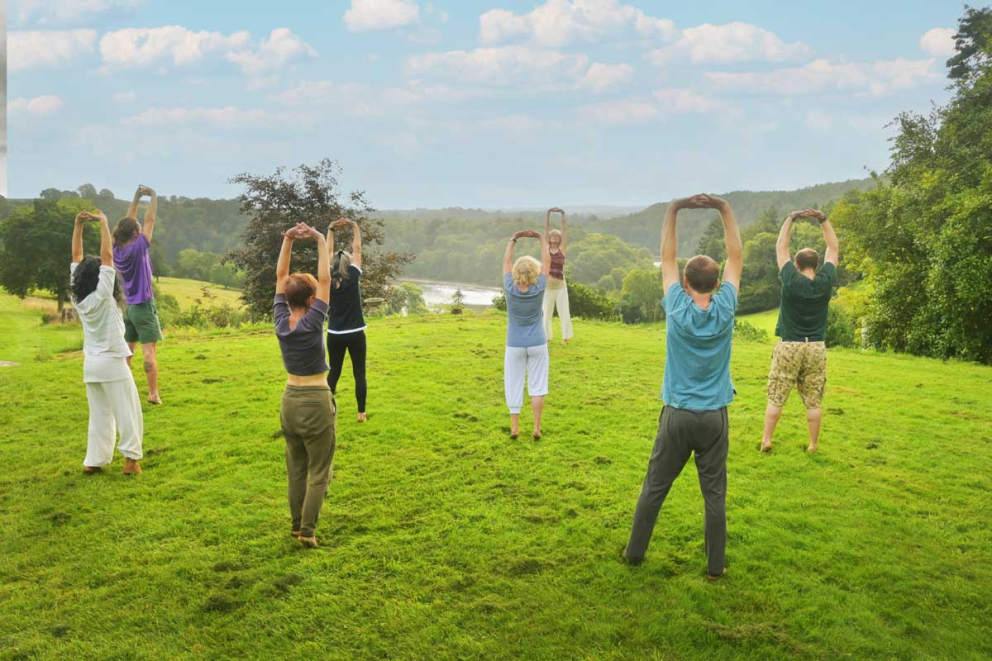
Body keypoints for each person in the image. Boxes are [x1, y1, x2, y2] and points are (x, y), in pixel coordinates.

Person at [622, 194, 743, 580]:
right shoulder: (725, 308)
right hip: (714, 418)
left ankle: (634, 555)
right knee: (715, 496)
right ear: (717, 280)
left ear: (686, 282)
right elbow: (737, 257)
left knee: (655, 487)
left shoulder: (676, 305)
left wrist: (673, 209)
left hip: (677, 415)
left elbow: (666, 255)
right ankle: (714, 568)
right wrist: (724, 209)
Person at [760, 209, 840, 454]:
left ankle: (767, 440)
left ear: (796, 265)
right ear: (817, 265)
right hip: (816, 346)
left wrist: (791, 218)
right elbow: (833, 248)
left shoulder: (791, 280)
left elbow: (780, 247)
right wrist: (823, 219)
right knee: (814, 400)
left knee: (776, 396)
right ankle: (813, 445)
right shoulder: (825, 281)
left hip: (789, 345)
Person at [275, 221, 334, 548]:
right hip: (315, 401)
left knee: (296, 468)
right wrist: (319, 239)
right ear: (313, 299)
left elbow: (279, 277)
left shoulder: (281, 321)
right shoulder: (313, 322)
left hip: (289, 401)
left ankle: (297, 526)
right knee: (319, 472)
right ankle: (308, 532)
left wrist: (288, 240)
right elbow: (325, 278)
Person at [70, 210, 143, 476]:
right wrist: (103, 222)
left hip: (91, 365)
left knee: (100, 415)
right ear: (99, 278)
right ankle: (131, 462)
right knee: (128, 412)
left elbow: (76, 258)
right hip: (112, 362)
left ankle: (94, 460)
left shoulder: (78, 299)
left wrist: (78, 225)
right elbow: (108, 258)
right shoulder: (103, 294)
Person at [112, 185, 163, 405]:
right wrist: (153, 196)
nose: (142, 229)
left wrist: (135, 198)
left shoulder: (117, 249)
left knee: (128, 352)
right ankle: (153, 394)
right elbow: (149, 221)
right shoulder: (139, 247)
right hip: (143, 306)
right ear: (135, 233)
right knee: (149, 353)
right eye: (138, 229)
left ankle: (121, 392)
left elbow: (128, 222)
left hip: (128, 309)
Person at [502, 229, 551, 440]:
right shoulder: (539, 286)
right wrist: (541, 238)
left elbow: (506, 260)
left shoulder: (509, 287)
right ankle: (536, 428)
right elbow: (548, 260)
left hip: (514, 344)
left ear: (515, 272)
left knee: (513, 382)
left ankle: (515, 427)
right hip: (537, 342)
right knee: (538, 385)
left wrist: (514, 238)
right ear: (534, 272)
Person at [325, 218, 368, 423]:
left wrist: (331, 229)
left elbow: (327, 251)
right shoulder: (353, 272)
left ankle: (328, 411)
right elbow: (357, 248)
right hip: (356, 332)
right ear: (349, 262)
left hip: (335, 334)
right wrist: (354, 226)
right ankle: (361, 414)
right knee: (359, 374)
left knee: (333, 375)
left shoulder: (327, 275)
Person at [542, 207, 573, 345]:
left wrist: (563, 215)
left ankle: (565, 338)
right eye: (552, 235)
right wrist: (548, 213)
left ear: (559, 239)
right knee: (546, 314)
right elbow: (546, 228)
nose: (554, 236)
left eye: (557, 235)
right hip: (548, 286)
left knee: (563, 312)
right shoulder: (545, 248)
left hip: (560, 286)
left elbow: (565, 230)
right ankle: (547, 338)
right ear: (549, 238)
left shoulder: (562, 248)